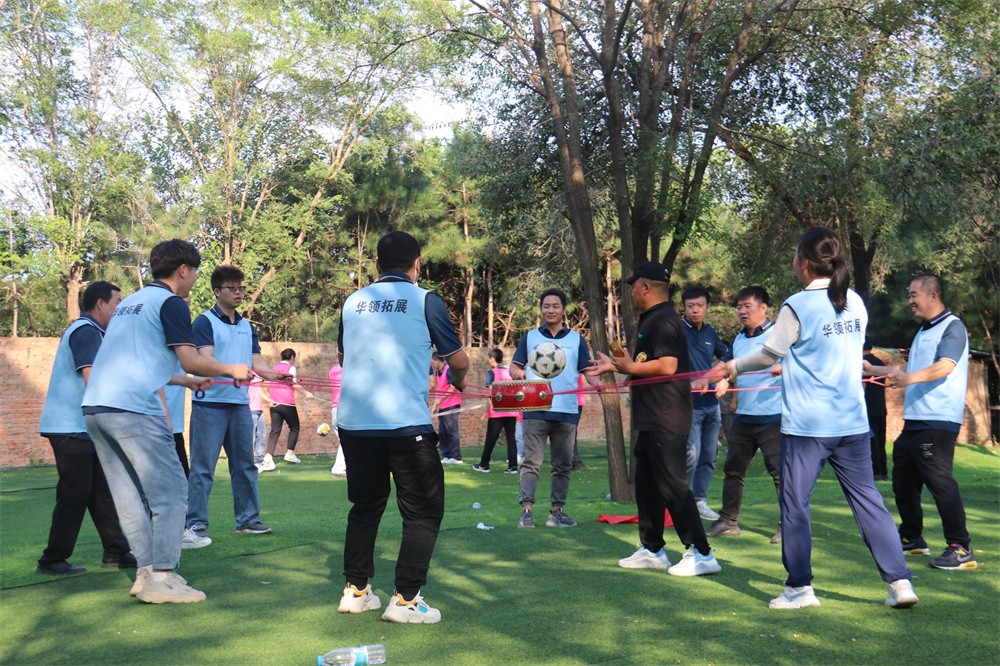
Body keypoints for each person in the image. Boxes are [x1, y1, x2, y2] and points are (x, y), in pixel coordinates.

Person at [724, 227, 917, 610]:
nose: (794, 261)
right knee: (869, 502)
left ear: (806, 262)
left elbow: (767, 355)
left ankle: (799, 588)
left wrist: (731, 366)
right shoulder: (855, 301)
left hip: (808, 427)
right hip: (852, 424)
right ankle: (900, 583)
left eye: (796, 255)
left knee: (794, 505)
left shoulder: (797, 305)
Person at [82, 239, 253, 604]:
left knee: (128, 494)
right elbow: (191, 359)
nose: (195, 280)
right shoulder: (171, 302)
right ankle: (163, 576)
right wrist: (232, 369)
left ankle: (146, 573)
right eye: (195, 272)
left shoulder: (130, 303)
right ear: (183, 270)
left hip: (96, 408)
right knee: (174, 492)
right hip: (134, 409)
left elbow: (138, 360)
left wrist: (186, 382)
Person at [336, 230, 469, 624]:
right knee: (423, 512)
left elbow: (344, 357)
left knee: (365, 506)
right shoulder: (425, 299)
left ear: (377, 264)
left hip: (355, 425)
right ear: (417, 264)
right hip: (405, 425)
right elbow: (458, 360)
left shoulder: (352, 302)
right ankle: (406, 600)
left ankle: (356, 591)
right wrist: (459, 381)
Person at [588, 262, 721, 576]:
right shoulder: (652, 319)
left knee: (672, 484)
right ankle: (652, 549)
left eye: (634, 287)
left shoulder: (663, 320)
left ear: (646, 287)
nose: (631, 293)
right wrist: (620, 366)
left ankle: (702, 553)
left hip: (666, 416)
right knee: (646, 485)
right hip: (650, 417)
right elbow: (647, 364)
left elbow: (668, 366)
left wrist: (629, 368)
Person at [864, 274, 976, 570]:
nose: (909, 301)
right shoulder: (925, 330)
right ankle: (913, 538)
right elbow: (912, 367)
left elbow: (944, 366)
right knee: (903, 481)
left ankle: (961, 548)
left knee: (940, 482)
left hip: (937, 421)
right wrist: (872, 369)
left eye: (914, 295)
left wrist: (909, 379)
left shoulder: (952, 327)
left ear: (933, 296)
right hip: (915, 420)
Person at [183, 266, 289, 549]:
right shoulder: (204, 322)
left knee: (245, 465)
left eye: (241, 288)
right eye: (232, 288)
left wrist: (274, 375)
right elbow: (203, 360)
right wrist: (232, 370)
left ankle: (248, 519)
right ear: (217, 291)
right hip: (209, 405)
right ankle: (195, 525)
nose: (239, 292)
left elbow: (256, 361)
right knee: (203, 468)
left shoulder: (246, 326)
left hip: (240, 405)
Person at [36, 281, 134, 575]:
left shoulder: (96, 332)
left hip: (84, 427)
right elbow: (94, 380)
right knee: (76, 492)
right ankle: (52, 559)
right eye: (117, 302)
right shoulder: (86, 331)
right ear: (100, 304)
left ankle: (116, 551)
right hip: (70, 427)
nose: (120, 308)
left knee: (101, 490)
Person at [511, 288, 596, 529]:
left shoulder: (576, 339)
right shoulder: (530, 337)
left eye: (555, 306)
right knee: (532, 462)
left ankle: (556, 513)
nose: (551, 310)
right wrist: (517, 374)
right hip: (535, 408)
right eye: (546, 306)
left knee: (562, 464)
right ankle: (526, 512)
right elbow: (515, 366)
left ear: (563, 309)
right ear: (541, 309)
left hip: (567, 412)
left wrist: (599, 384)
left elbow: (588, 371)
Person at [707, 286, 782, 543]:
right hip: (744, 416)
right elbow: (726, 367)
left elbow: (798, 362)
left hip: (774, 415)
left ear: (764, 308)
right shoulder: (738, 340)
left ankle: (788, 525)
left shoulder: (779, 335)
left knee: (781, 474)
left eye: (747, 306)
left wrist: (784, 367)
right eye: (739, 307)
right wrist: (716, 379)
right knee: (733, 470)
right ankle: (728, 521)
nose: (742, 311)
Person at [680, 286, 729, 522]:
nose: (695, 310)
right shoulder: (677, 330)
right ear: (684, 308)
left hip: (711, 404)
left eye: (700, 305)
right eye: (690, 306)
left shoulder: (710, 332)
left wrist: (726, 379)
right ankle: (680, 501)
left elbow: (728, 357)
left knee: (709, 455)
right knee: (691, 454)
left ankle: (699, 501)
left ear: (707, 307)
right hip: (688, 405)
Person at [262, 348, 313, 469]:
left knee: (275, 430)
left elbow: (268, 384)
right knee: (295, 427)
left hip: (274, 403)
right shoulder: (291, 368)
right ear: (292, 357)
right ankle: (290, 453)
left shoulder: (274, 368)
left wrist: (270, 398)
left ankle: (268, 457)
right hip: (287, 403)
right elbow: (293, 383)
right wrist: (307, 393)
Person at [473, 348, 518, 474]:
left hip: (497, 412)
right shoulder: (510, 372)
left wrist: (486, 412)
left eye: (489, 358)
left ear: (492, 359)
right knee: (511, 440)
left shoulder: (491, 373)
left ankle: (484, 465)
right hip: (511, 411)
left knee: (490, 439)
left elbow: (490, 394)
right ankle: (512, 467)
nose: (489, 361)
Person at [430, 353, 463, 463]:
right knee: (443, 431)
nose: (431, 365)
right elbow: (439, 390)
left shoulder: (448, 370)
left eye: (432, 362)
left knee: (451, 430)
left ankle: (456, 457)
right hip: (443, 405)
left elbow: (453, 387)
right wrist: (435, 405)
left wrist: (440, 400)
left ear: (437, 361)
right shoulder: (438, 373)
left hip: (452, 404)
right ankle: (447, 455)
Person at [863, 340, 888, 481]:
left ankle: (875, 471)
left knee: (871, 442)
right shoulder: (879, 363)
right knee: (880, 441)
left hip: (867, 408)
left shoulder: (863, 363)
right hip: (880, 407)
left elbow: (863, 387)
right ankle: (883, 471)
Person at [329, 360, 347, 478]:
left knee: (345, 441)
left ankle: (342, 467)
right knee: (347, 440)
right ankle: (339, 468)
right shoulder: (347, 369)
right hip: (344, 408)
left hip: (335, 409)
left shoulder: (332, 370)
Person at [248, 376, 271, 470]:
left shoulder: (257, 376)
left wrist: (269, 400)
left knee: (261, 436)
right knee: (251, 438)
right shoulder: (248, 375)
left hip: (260, 411)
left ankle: (259, 461)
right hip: (250, 410)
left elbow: (259, 391)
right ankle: (248, 462)